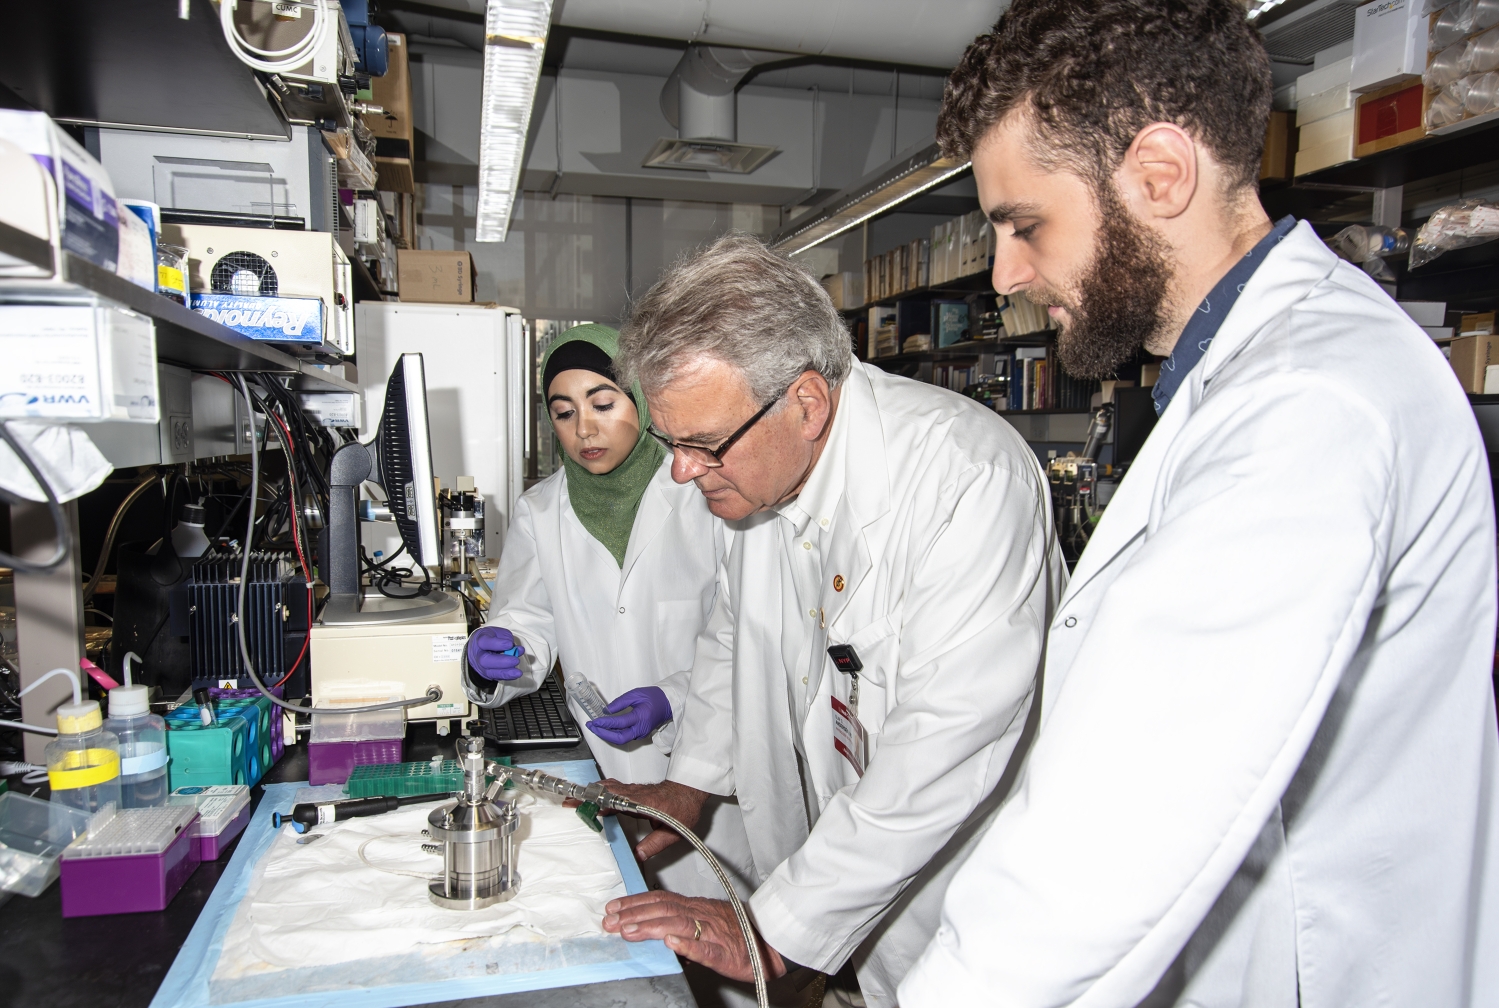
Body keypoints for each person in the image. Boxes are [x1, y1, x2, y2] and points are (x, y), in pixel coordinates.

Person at [896, 2, 1499, 1005]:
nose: (1005, 274)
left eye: (1024, 224)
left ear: (1159, 174)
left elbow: (1128, 813)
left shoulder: (1311, 399)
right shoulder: (1245, 373)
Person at [596, 233, 1065, 1006]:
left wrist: (779, 930)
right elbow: (732, 635)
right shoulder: (756, 478)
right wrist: (690, 785)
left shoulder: (962, 479)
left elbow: (944, 746)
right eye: (668, 441)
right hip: (824, 871)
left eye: (701, 444)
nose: (681, 472)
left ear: (806, 403)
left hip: (951, 901)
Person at [465, 323, 755, 902]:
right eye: (564, 412)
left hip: (720, 756)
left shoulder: (707, 494)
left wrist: (671, 698)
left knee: (735, 918)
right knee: (638, 915)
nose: (585, 428)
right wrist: (496, 649)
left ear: (643, 401)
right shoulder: (539, 510)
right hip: (604, 754)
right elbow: (529, 618)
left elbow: (744, 631)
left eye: (603, 403)